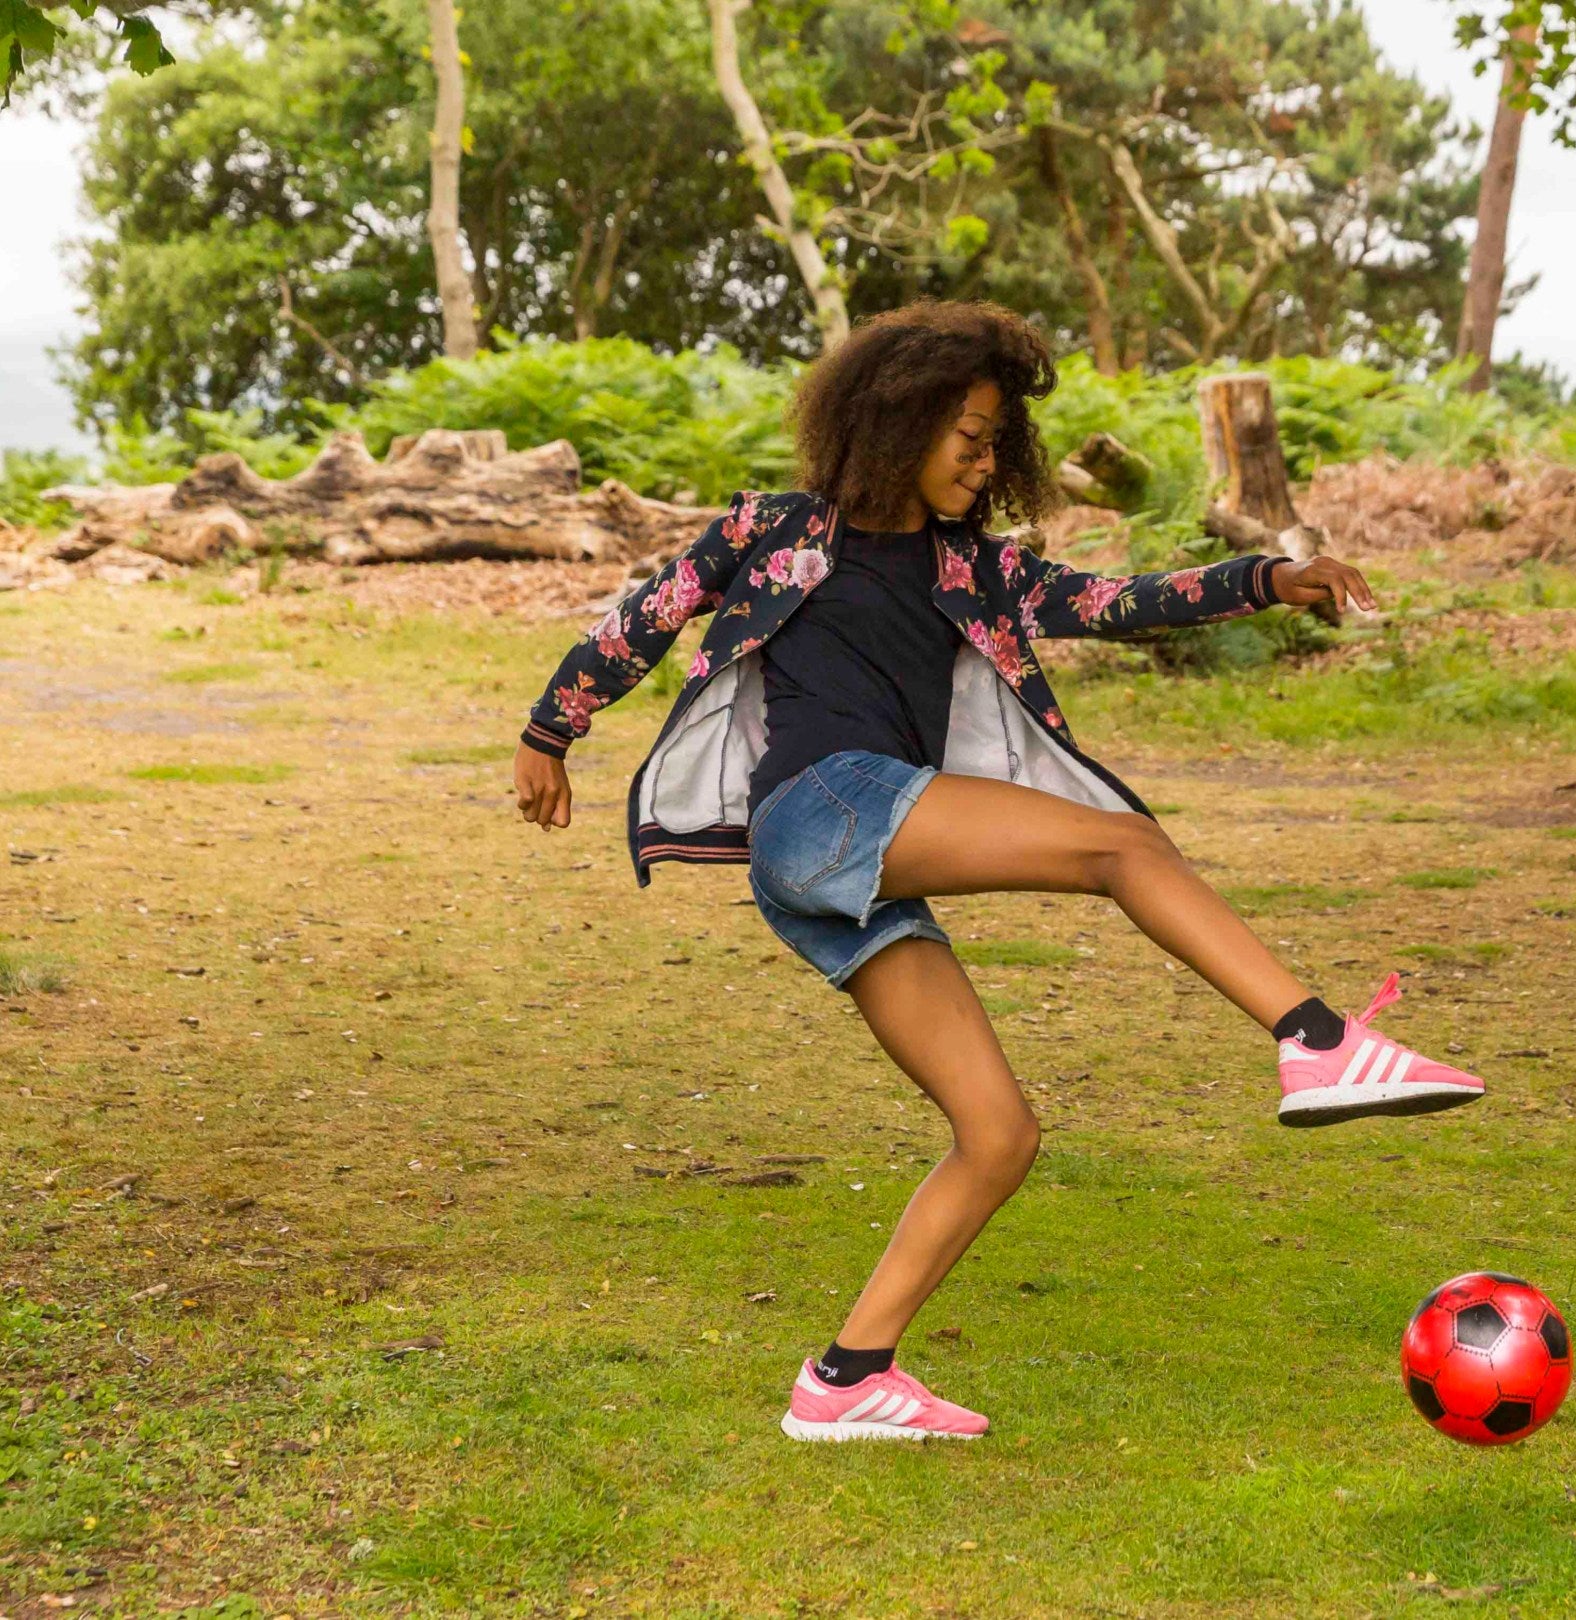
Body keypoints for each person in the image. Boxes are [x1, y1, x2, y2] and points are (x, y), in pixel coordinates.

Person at [508, 302, 1485, 1442]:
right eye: (967, 437)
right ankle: (1318, 1040)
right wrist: (549, 731)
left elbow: (1114, 605)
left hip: (850, 865)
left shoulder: (973, 568)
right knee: (1123, 845)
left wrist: (1266, 578)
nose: (984, 462)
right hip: (820, 811)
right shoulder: (775, 529)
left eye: (993, 444)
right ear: (896, 422)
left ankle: (845, 1378)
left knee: (1000, 1133)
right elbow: (647, 619)